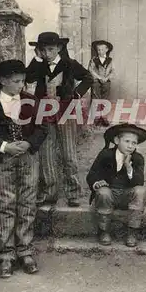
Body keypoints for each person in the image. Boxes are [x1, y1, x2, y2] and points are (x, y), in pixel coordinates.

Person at [0, 60, 48, 278]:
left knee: (27, 202)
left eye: (23, 81)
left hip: (28, 159)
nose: (20, 85)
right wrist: (5, 146)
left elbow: (43, 128)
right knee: (5, 204)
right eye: (16, 81)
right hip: (3, 161)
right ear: (3, 81)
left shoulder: (32, 101)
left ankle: (25, 251)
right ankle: (7, 255)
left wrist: (29, 143)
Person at [26, 32, 93, 207]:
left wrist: (76, 94)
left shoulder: (69, 64)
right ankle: (50, 192)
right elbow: (28, 78)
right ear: (38, 51)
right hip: (44, 112)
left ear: (59, 48)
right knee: (46, 152)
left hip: (66, 112)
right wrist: (36, 60)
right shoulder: (38, 65)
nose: (47, 53)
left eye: (51, 49)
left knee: (68, 153)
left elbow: (88, 78)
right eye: (43, 50)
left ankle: (73, 193)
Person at [86, 123, 146, 247]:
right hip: (109, 194)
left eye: (134, 143)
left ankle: (132, 232)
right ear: (116, 140)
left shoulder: (138, 158)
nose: (130, 146)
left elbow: (139, 181)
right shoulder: (105, 155)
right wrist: (98, 182)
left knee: (141, 191)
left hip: (127, 195)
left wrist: (129, 168)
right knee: (103, 193)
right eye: (127, 141)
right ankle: (104, 231)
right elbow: (92, 174)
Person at [88, 40, 114, 126]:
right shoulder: (93, 60)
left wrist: (106, 78)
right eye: (98, 50)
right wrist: (99, 77)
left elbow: (113, 71)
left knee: (105, 99)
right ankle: (97, 117)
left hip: (106, 81)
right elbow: (91, 70)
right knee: (96, 98)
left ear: (107, 50)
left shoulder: (110, 60)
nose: (100, 51)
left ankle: (104, 117)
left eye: (102, 49)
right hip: (96, 81)